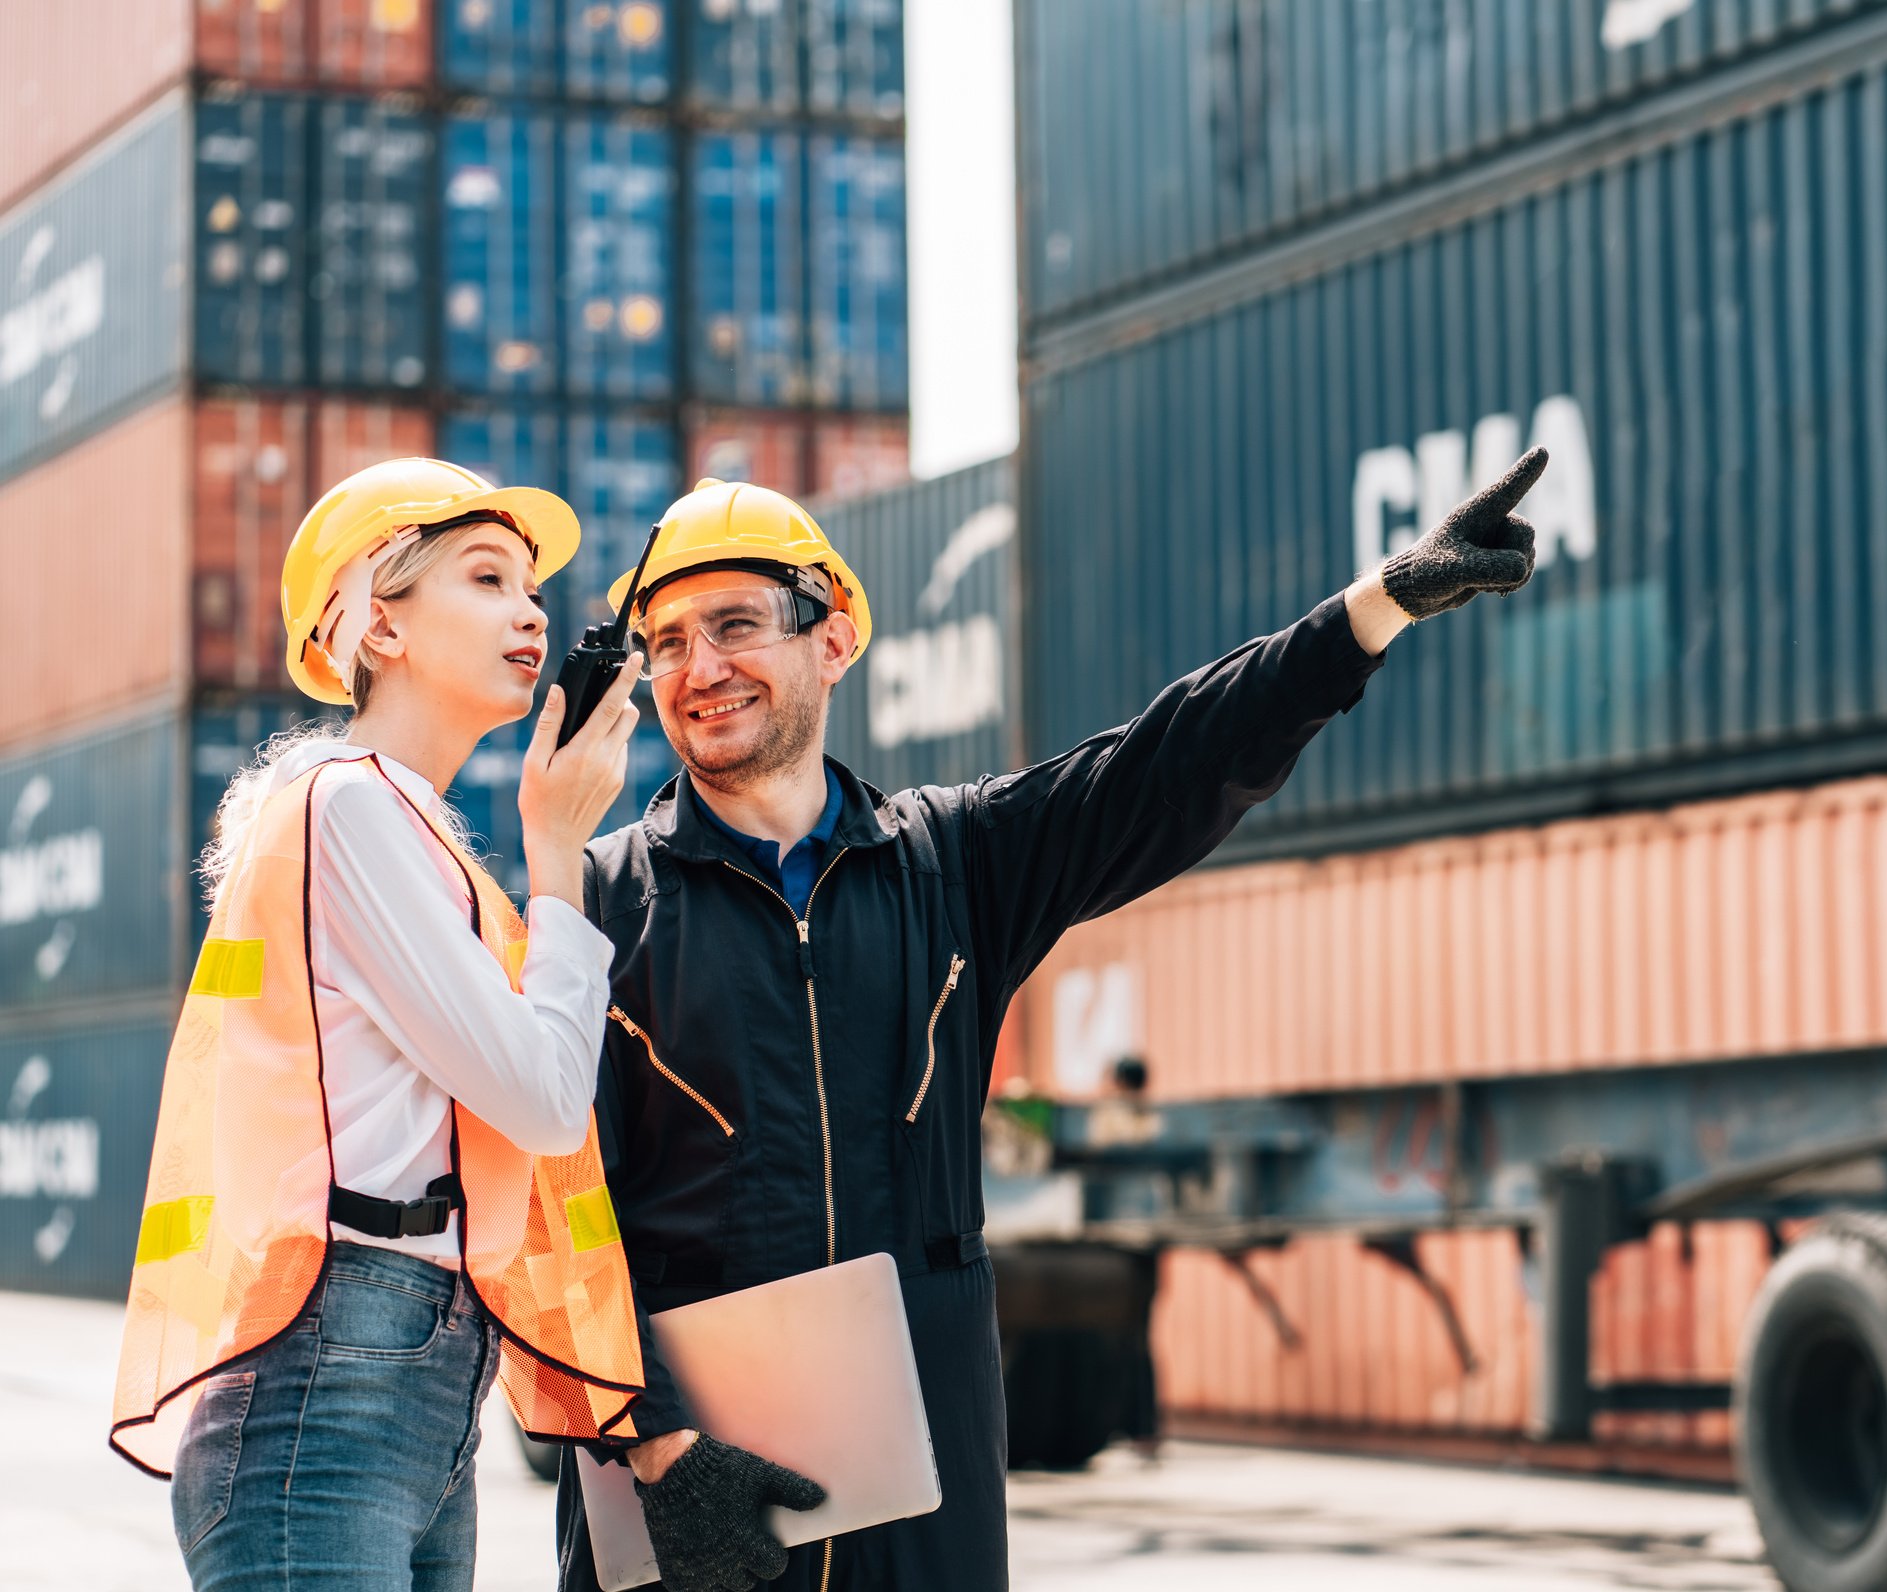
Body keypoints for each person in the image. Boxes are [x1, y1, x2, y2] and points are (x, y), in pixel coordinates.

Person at [558, 451, 1548, 1591]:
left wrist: (1371, 611)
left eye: (733, 623)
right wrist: (661, 1443)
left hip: (916, 1505)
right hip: (688, 1509)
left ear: (833, 637)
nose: (699, 666)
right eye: (668, 639)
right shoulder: (594, 907)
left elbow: (1161, 765)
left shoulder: (952, 864)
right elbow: (556, 1218)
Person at [110, 457, 651, 1592]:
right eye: (486, 575)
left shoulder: (409, 828)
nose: (532, 609)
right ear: (380, 623)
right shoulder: (349, 802)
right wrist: (559, 854)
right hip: (335, 1365)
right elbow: (547, 1101)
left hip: (411, 1364)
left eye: (532, 587)